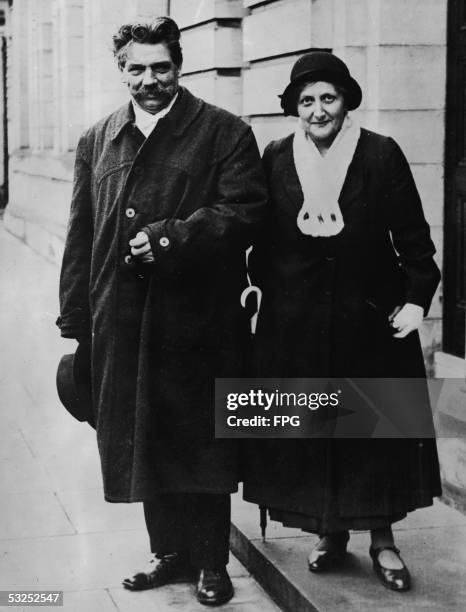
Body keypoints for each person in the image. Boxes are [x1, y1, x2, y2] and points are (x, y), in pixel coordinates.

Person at [56, 17, 267, 607]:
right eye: (136, 68)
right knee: (143, 438)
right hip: (119, 320)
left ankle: (211, 562)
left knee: (198, 442)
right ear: (120, 70)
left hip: (196, 324)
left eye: (161, 67)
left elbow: (247, 209)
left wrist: (175, 237)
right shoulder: (97, 139)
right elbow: (81, 234)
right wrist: (76, 321)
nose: (149, 80)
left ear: (180, 65)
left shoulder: (224, 132)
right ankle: (169, 552)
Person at [242, 51, 442, 592]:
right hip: (298, 325)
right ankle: (329, 533)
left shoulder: (381, 153)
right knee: (315, 430)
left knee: (372, 435)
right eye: (306, 101)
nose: (317, 110)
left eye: (328, 98)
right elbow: (260, 239)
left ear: (345, 100)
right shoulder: (276, 157)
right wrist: (258, 292)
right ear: (293, 107)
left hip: (369, 320)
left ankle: (382, 539)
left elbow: (415, 242)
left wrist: (415, 299)